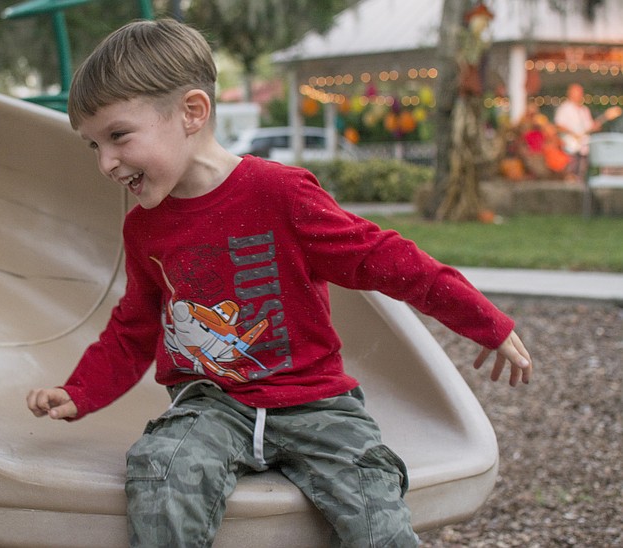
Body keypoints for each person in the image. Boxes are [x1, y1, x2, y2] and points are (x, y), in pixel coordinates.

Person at [27, 18, 533, 547]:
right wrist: (80, 390)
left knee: (372, 494)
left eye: (118, 136)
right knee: (162, 465)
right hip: (211, 403)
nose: (106, 162)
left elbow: (382, 257)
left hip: (315, 402)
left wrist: (483, 321)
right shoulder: (145, 227)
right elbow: (135, 325)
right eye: (93, 146)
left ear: (192, 112)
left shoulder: (280, 194)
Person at [555, 83, 600, 181]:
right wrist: (573, 133)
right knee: (571, 170)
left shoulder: (584, 110)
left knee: (582, 171)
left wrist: (596, 126)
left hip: (584, 145)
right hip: (570, 145)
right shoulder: (564, 108)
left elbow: (589, 127)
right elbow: (559, 125)